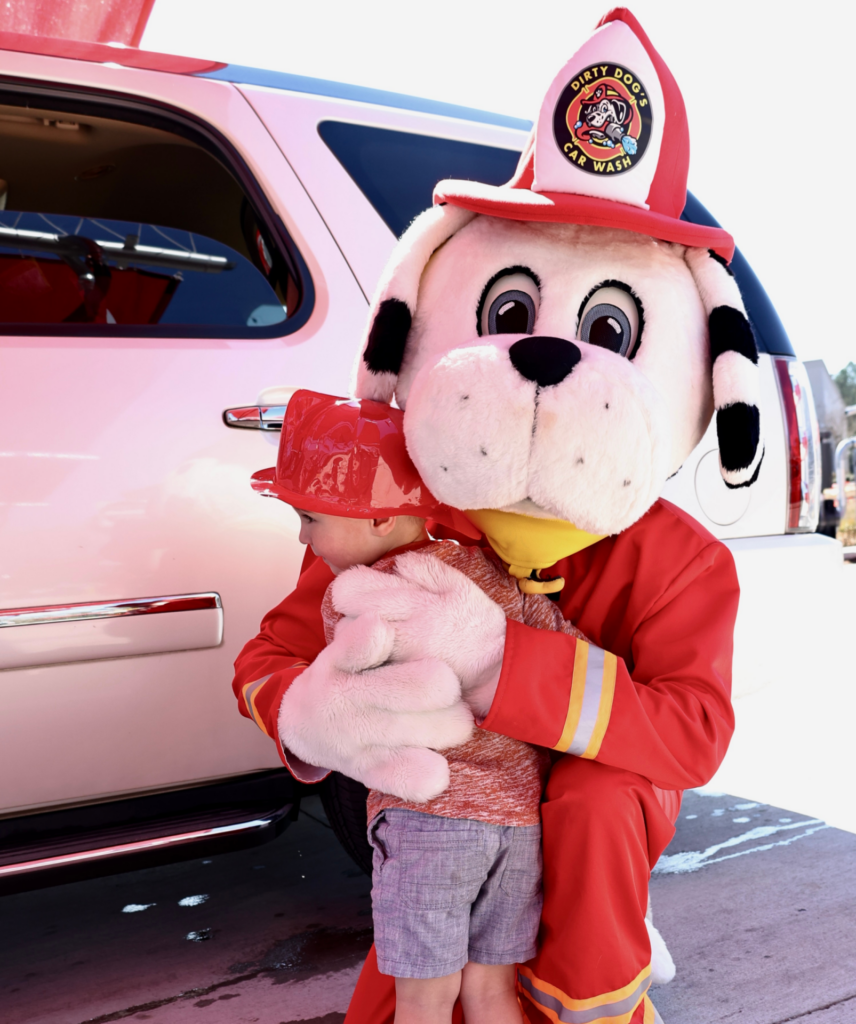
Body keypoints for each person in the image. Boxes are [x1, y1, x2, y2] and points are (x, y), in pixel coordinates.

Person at [243, 389, 586, 1024]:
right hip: (517, 822)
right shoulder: (489, 571)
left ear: (378, 519)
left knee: (424, 1003)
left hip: (428, 823)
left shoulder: (357, 597)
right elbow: (565, 649)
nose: (301, 535)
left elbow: (339, 705)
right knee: (492, 993)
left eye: (310, 518)